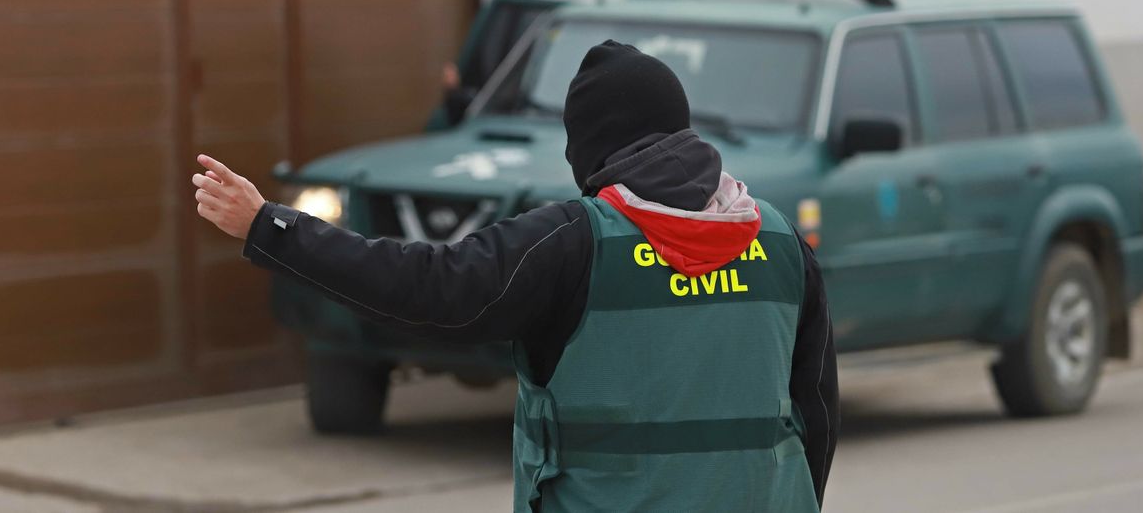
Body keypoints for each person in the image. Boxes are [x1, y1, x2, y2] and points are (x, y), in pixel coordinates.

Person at [193, 40, 838, 512]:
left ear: (590, 145)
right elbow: (817, 412)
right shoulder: (780, 242)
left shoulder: (571, 244)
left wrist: (269, 227)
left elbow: (427, 288)